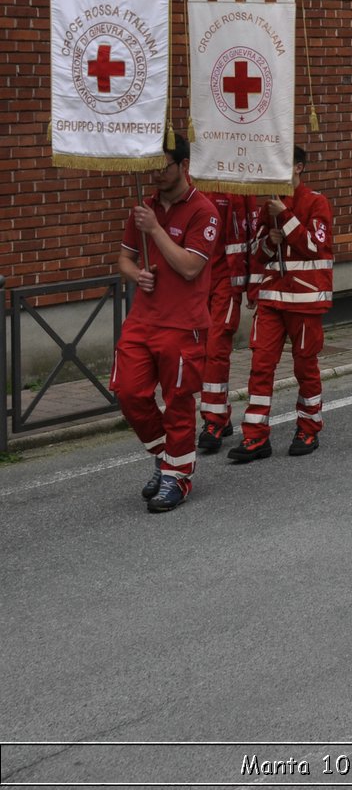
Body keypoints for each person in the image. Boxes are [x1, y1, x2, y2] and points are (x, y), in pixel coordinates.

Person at [111, 136, 220, 512]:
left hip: (182, 323)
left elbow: (191, 268)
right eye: (152, 166)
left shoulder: (204, 211)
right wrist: (135, 275)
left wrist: (156, 229)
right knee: (128, 392)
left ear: (183, 166)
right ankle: (165, 455)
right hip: (143, 319)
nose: (156, 173)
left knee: (177, 402)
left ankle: (179, 476)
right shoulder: (145, 208)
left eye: (164, 166)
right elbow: (124, 259)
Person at [229, 145, 334, 461]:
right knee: (260, 365)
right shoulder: (268, 207)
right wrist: (268, 241)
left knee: (305, 367)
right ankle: (256, 436)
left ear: (299, 167)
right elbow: (258, 254)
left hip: (305, 301)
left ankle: (308, 427)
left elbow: (314, 247)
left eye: (284, 164)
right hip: (272, 299)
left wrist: (285, 218)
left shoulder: (316, 202)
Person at [196, 190, 258, 453]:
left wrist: (253, 285)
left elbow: (252, 236)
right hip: (195, 281)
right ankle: (220, 412)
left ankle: (213, 421)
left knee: (216, 349)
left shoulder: (237, 181)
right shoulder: (189, 182)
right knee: (198, 353)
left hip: (226, 281)